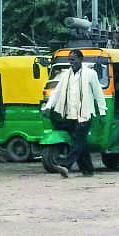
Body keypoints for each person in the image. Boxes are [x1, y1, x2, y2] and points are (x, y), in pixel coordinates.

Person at [44, 49, 107, 179]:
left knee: (77, 141)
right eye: (70, 60)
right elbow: (57, 92)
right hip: (70, 115)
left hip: (85, 114)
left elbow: (98, 94)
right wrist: (48, 106)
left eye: (73, 59)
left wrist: (102, 112)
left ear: (80, 59)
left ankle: (66, 166)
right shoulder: (65, 75)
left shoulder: (91, 74)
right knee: (80, 143)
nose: (71, 62)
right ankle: (88, 170)